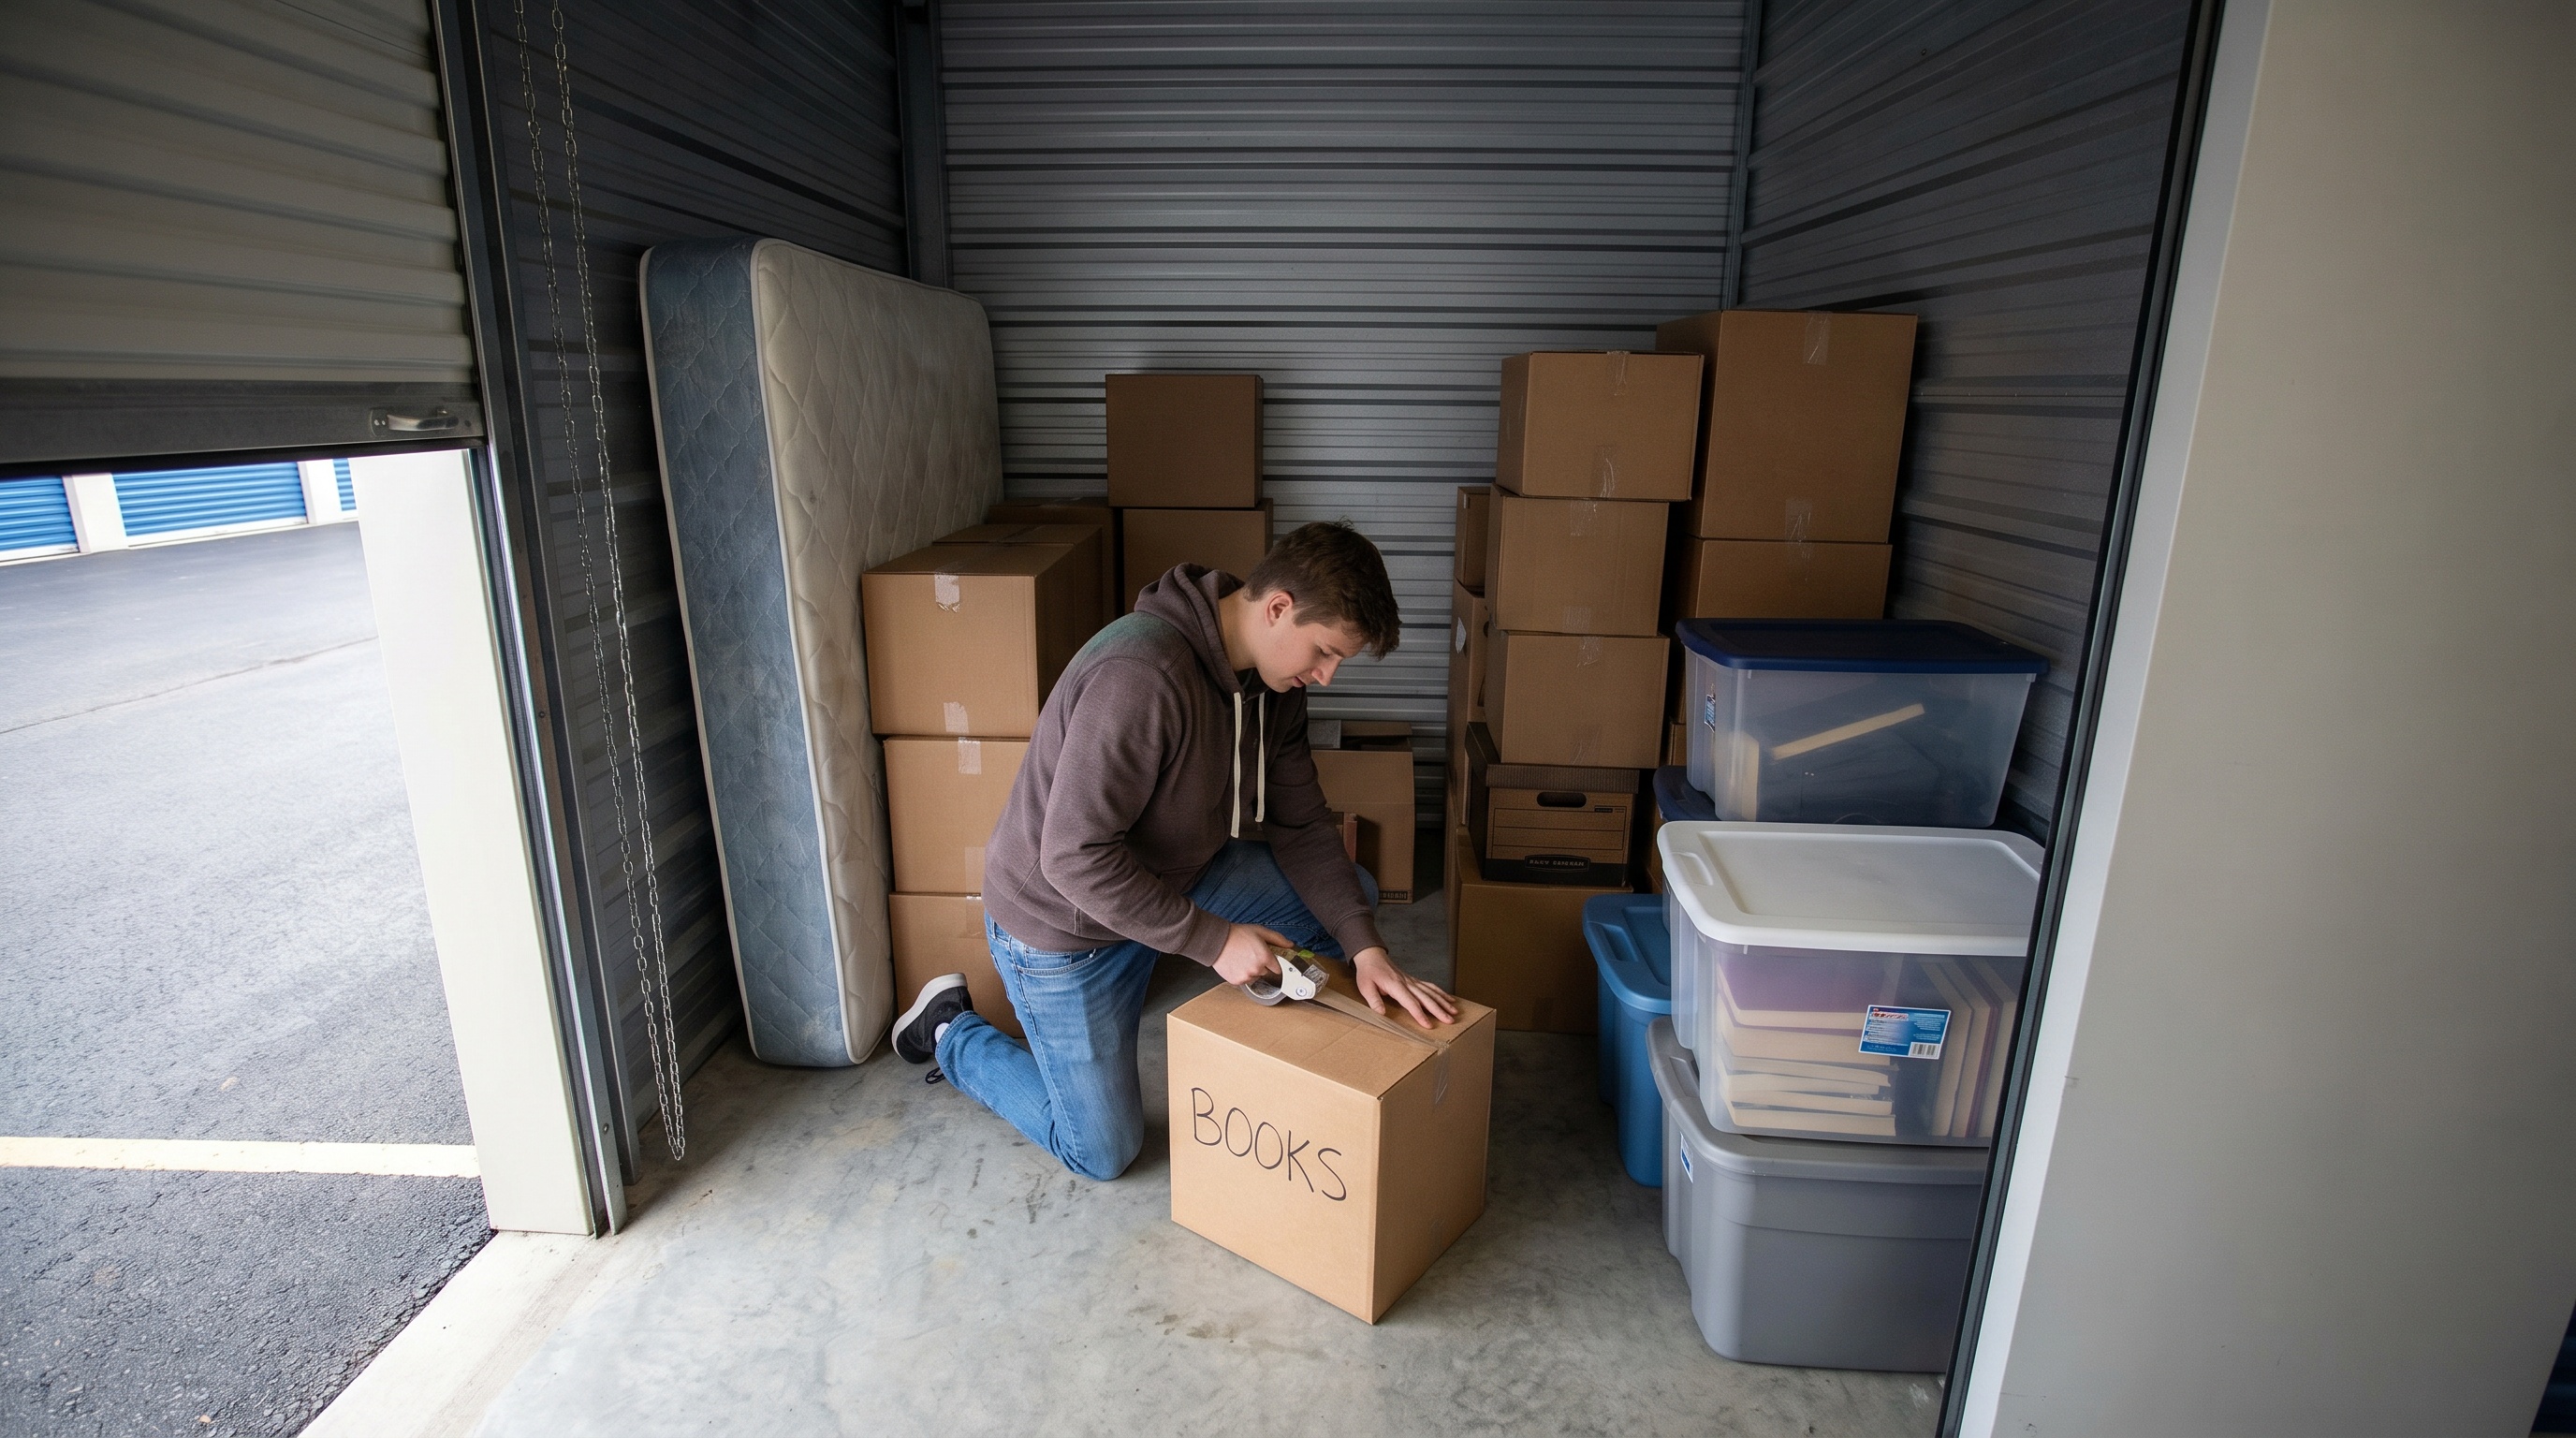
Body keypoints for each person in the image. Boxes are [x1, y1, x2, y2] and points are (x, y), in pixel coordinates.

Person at [890, 521, 1458, 1181]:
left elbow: (1302, 825)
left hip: (1175, 877)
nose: (1327, 676)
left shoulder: (1276, 686)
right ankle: (951, 1031)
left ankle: (1276, 1042)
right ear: (1278, 608)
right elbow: (1072, 857)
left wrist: (1367, 949)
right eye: (1324, 652)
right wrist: (1212, 941)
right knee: (1102, 1152)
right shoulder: (1141, 676)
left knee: (1347, 899)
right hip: (1064, 926)